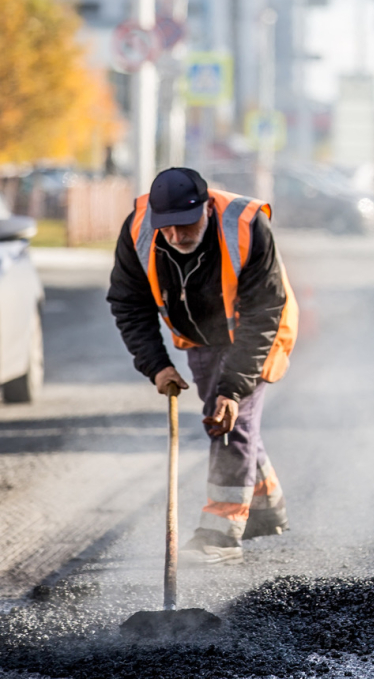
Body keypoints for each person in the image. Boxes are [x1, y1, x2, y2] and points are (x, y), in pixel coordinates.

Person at [107, 168, 298, 566]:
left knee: (231, 420)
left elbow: (263, 313)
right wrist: (157, 366)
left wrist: (232, 389)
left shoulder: (247, 226)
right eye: (168, 228)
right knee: (226, 418)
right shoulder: (140, 230)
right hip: (201, 335)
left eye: (186, 224)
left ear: (208, 208)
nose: (177, 236)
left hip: (261, 328)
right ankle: (267, 507)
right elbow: (129, 303)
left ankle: (221, 535)